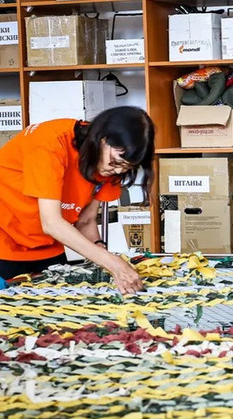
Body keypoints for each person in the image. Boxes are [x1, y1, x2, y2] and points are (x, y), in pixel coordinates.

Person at [0, 107, 155, 295]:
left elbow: (86, 221)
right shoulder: (50, 144)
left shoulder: (105, 163)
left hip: (48, 246)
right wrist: (112, 263)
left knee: (59, 307)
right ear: (102, 139)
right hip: (6, 240)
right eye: (116, 162)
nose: (118, 171)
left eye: (127, 167)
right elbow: (51, 223)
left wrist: (103, 257)